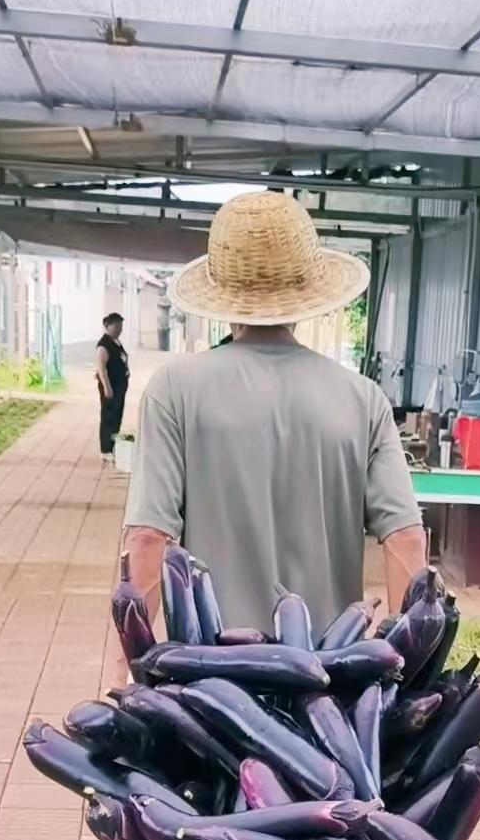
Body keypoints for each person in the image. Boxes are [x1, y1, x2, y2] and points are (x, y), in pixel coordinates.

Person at [121, 191, 425, 640]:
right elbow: (406, 541)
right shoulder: (363, 399)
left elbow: (148, 538)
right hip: (328, 685)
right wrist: (405, 670)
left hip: (212, 686)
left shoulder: (175, 390)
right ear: (308, 296)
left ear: (221, 297)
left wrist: (130, 673)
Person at [95, 312, 129, 460]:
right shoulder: (104, 345)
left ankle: (113, 446)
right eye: (116, 325)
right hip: (111, 387)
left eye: (121, 325)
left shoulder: (117, 342)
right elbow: (101, 367)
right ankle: (105, 449)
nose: (119, 328)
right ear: (107, 327)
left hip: (120, 386)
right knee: (108, 417)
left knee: (117, 416)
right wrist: (107, 387)